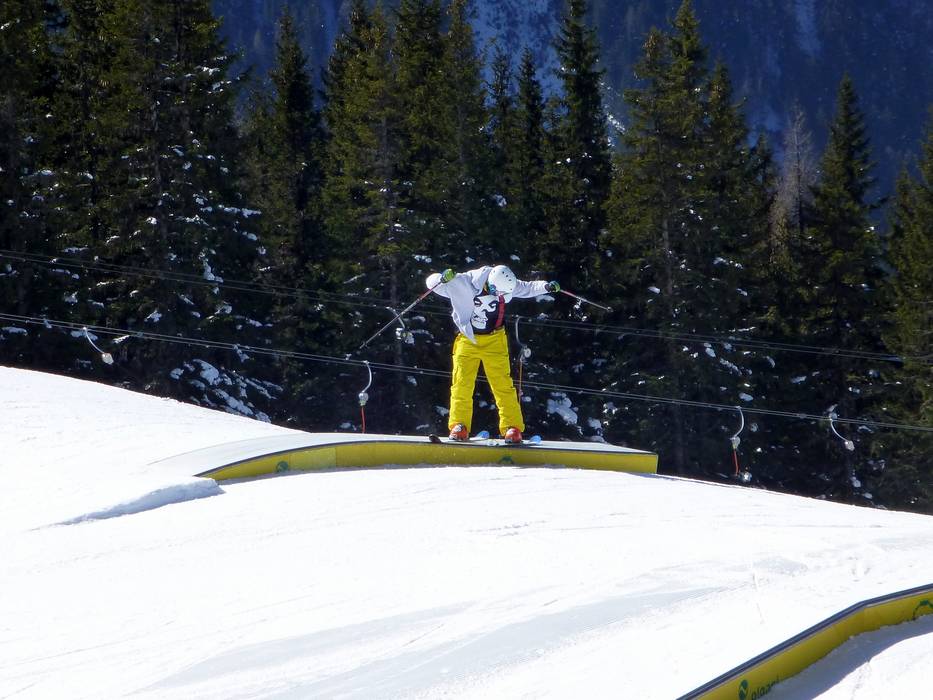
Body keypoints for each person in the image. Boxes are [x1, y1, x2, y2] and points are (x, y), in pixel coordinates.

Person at [426, 264, 560, 442]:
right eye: (496, 292)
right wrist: (442, 277)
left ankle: (512, 427)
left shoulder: (506, 285)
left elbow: (527, 287)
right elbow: (432, 283)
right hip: (468, 339)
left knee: (503, 385)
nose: (499, 296)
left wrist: (546, 286)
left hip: (495, 340)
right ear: (489, 283)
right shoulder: (464, 282)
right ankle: (459, 425)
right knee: (461, 384)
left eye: (503, 294)